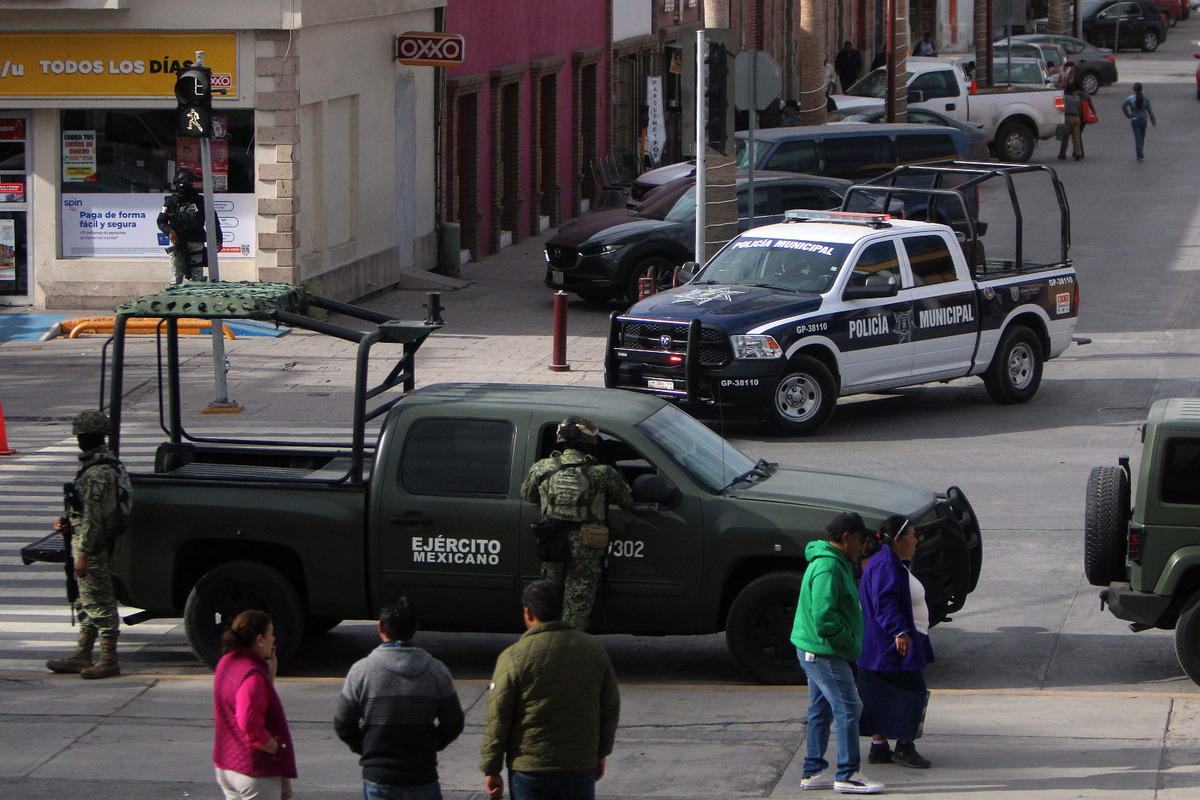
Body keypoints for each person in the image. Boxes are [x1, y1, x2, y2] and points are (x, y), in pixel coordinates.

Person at [480, 581, 620, 800]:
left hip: (530, 771)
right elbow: (610, 708)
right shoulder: (594, 651)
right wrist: (600, 754)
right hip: (578, 768)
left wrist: (491, 768)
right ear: (560, 610)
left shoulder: (514, 656)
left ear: (528, 612)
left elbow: (498, 716)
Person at [335, 597, 465, 800]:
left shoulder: (361, 671)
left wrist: (369, 749)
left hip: (379, 778)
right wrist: (429, 746)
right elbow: (454, 723)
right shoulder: (436, 671)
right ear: (415, 628)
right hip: (422, 776)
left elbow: (343, 724)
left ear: (380, 627)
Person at [791, 512, 884, 795]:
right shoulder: (829, 568)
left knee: (821, 708)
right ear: (845, 538)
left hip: (816, 652)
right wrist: (850, 641)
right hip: (825, 653)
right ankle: (847, 773)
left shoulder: (835, 562)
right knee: (849, 707)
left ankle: (814, 770)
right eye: (859, 539)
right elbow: (823, 618)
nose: (862, 545)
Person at [520, 416, 633, 631]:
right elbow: (627, 501)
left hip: (552, 541)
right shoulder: (602, 472)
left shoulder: (542, 468)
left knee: (546, 602)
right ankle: (571, 648)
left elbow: (528, 495)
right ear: (590, 443)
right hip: (586, 545)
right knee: (577, 605)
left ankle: (545, 644)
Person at [46, 410, 131, 680]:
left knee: (101, 604)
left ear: (92, 438)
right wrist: (68, 523)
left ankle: (109, 660)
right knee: (86, 603)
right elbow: (87, 511)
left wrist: (82, 554)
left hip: (93, 547)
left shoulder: (98, 473)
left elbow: (94, 519)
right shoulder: (99, 466)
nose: (80, 442)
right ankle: (82, 653)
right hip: (88, 542)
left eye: (83, 437)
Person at [858, 515, 934, 771]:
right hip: (889, 646)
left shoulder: (887, 560)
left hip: (879, 647)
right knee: (913, 693)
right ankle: (904, 747)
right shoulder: (886, 565)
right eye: (912, 535)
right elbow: (885, 603)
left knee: (878, 696)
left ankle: (879, 748)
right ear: (898, 540)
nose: (916, 540)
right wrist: (900, 632)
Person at [212, 610, 297, 800]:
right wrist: (277, 749)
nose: (273, 640)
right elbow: (249, 724)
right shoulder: (253, 677)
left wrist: (269, 678)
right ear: (259, 640)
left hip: (226, 765)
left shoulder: (227, 662)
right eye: (271, 634)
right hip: (253, 771)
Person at [157, 167, 220, 284]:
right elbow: (161, 221)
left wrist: (218, 239)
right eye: (182, 183)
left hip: (195, 241)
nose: (184, 185)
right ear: (177, 183)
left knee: (197, 277)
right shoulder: (171, 202)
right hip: (178, 242)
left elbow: (213, 220)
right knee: (176, 276)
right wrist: (170, 231)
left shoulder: (200, 201)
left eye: (188, 182)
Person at [1122, 82, 1157, 162]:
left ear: (1134, 90)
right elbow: (1149, 110)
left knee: (1138, 137)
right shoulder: (1145, 99)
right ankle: (1140, 153)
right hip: (1144, 120)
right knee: (1142, 137)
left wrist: (1128, 115)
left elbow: (1124, 105)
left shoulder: (1131, 98)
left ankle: (1140, 155)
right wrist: (1153, 120)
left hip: (1135, 119)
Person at [1058, 81, 1092, 161]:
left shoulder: (1065, 98)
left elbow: (1061, 108)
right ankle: (1078, 154)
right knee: (1076, 137)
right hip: (1076, 118)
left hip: (1067, 118)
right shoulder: (1077, 98)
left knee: (1065, 137)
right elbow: (1080, 109)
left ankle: (1062, 153)